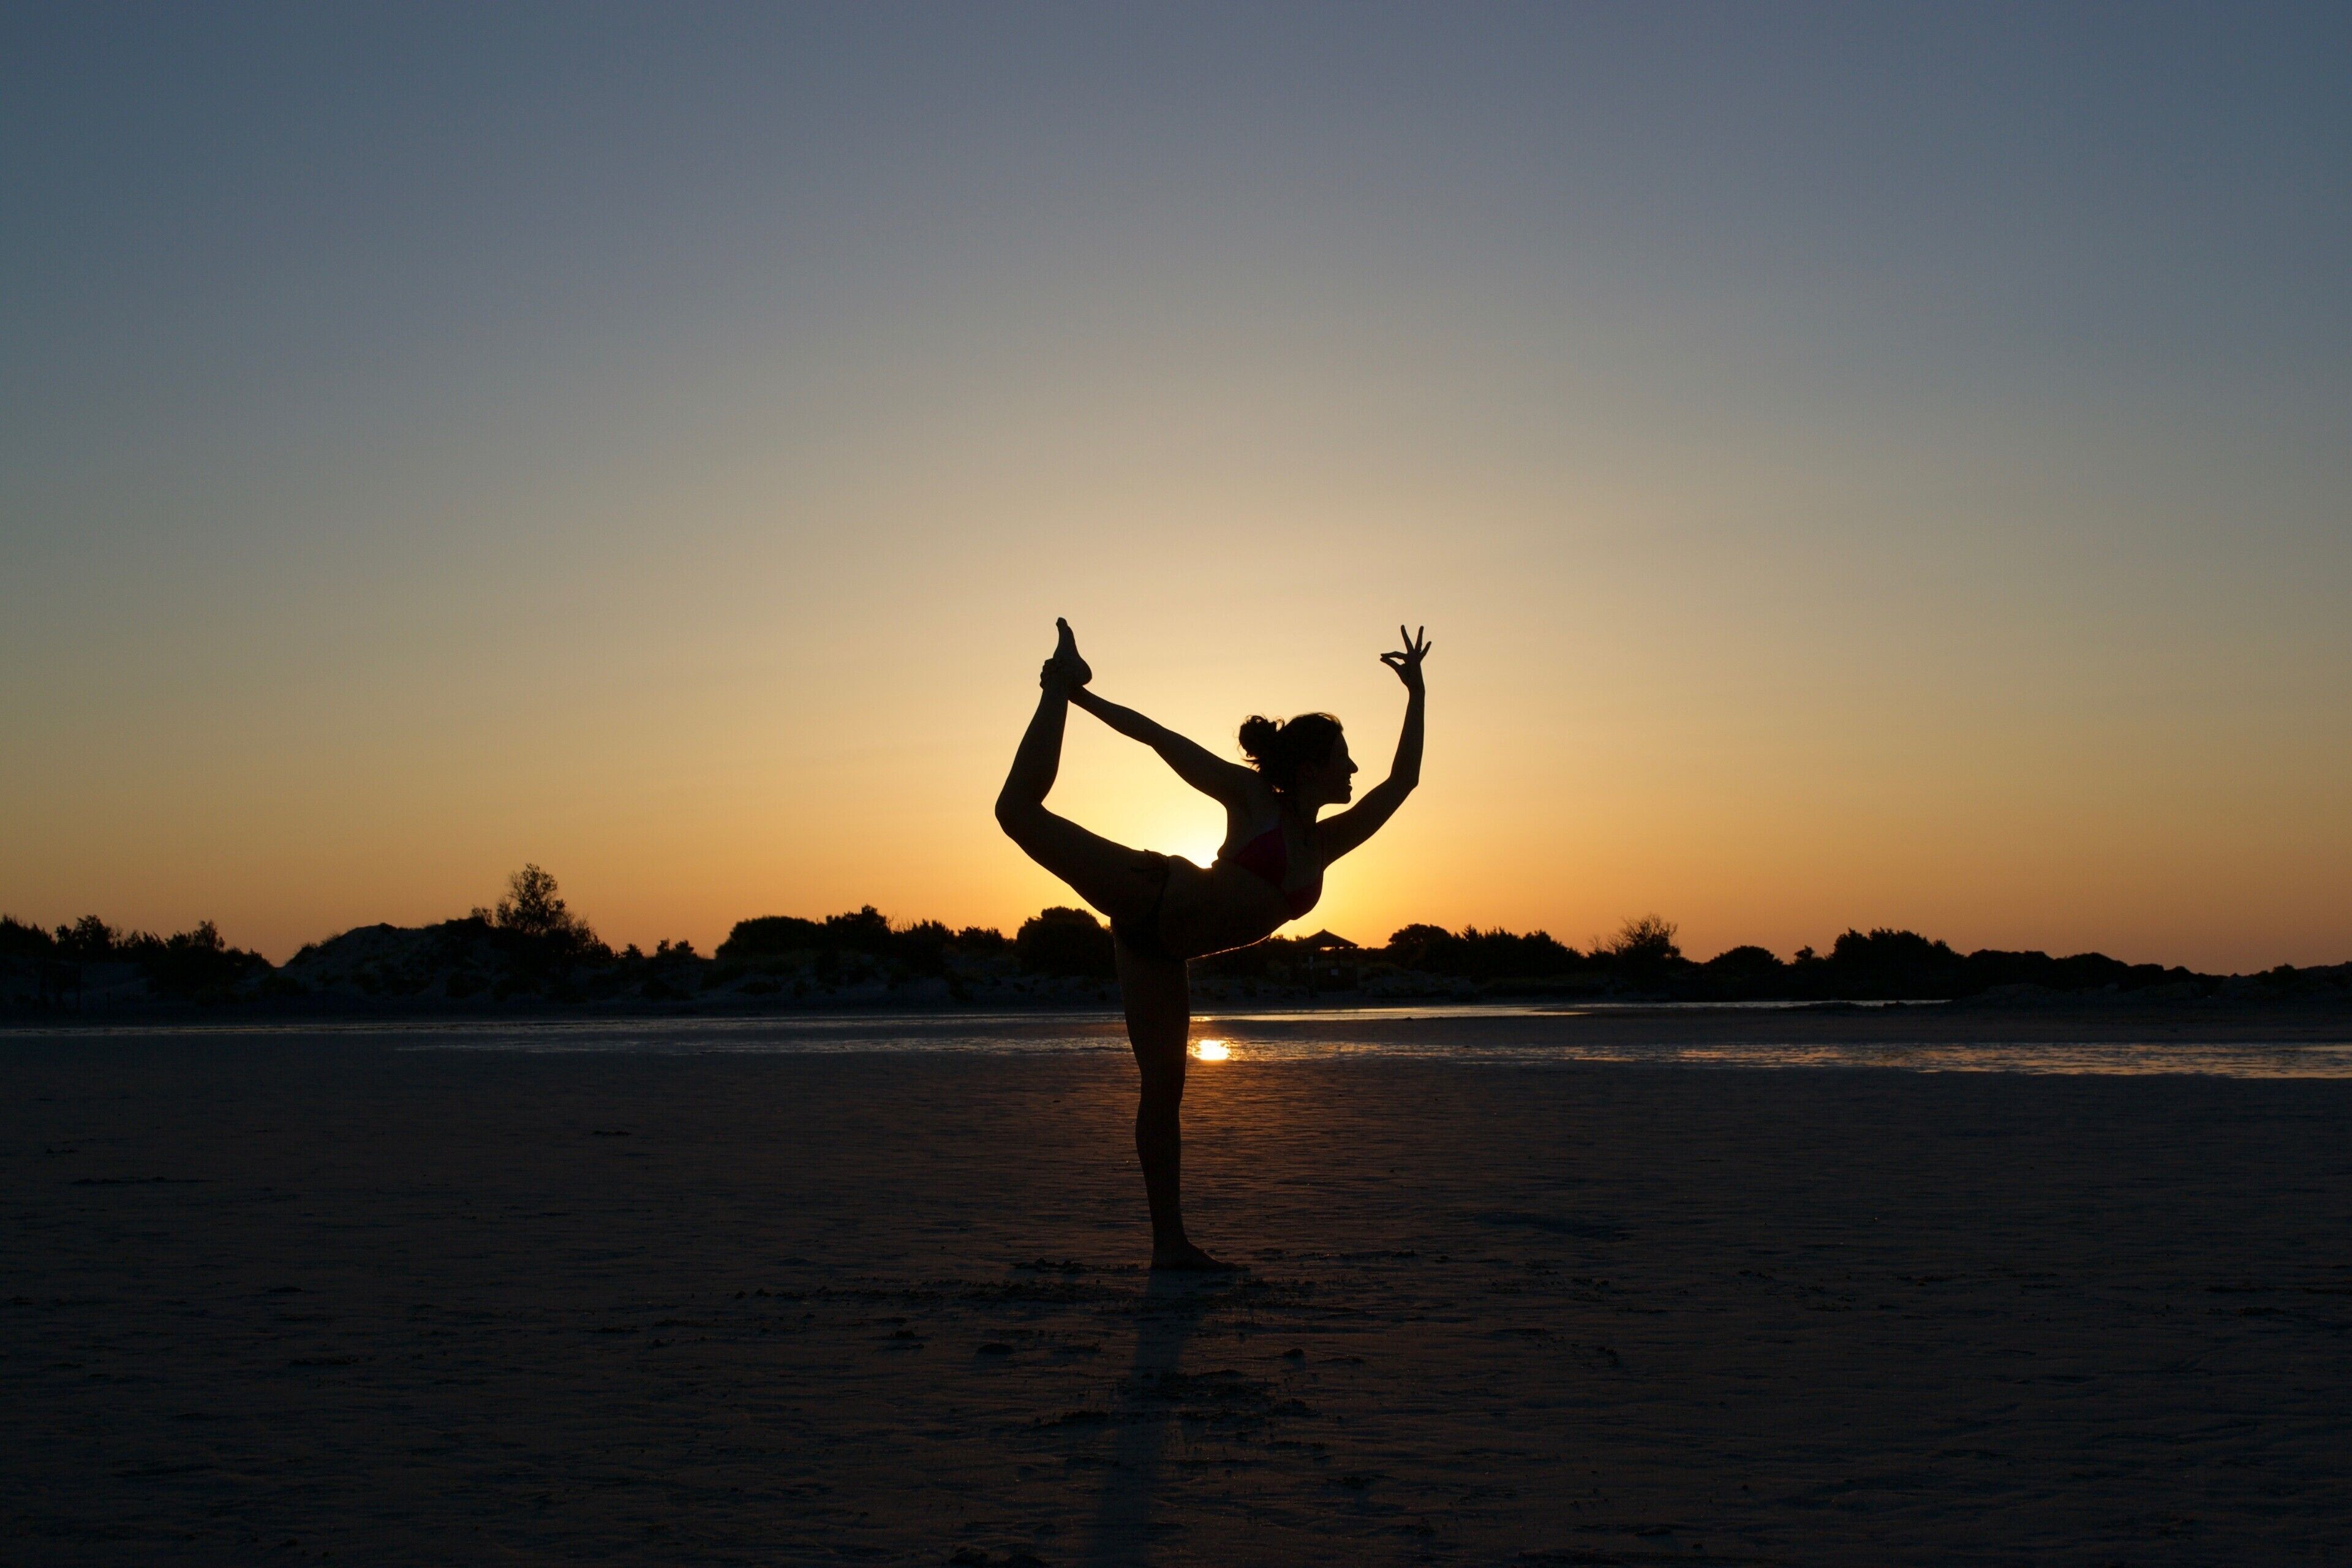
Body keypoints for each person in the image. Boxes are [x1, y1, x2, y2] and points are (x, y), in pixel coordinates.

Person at [995, 618, 1431, 1270]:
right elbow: (1159, 738)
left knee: (1163, 1091)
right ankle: (1057, 684)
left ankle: (1170, 1247)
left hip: (1158, 953)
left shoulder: (1326, 843)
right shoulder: (1253, 799)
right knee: (1017, 813)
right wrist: (1082, 697)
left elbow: (1402, 782)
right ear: (1311, 767)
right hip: (1151, 892)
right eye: (1344, 758)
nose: (1354, 769)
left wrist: (1417, 694)